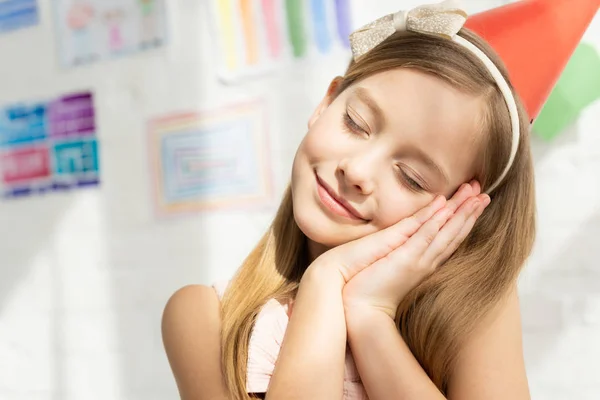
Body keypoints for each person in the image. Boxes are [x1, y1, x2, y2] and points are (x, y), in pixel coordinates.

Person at [161, 0, 598, 399]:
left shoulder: (475, 308)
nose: (357, 171)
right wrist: (325, 282)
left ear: (458, 209)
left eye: (410, 177)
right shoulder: (205, 319)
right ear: (326, 102)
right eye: (355, 122)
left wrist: (370, 317)